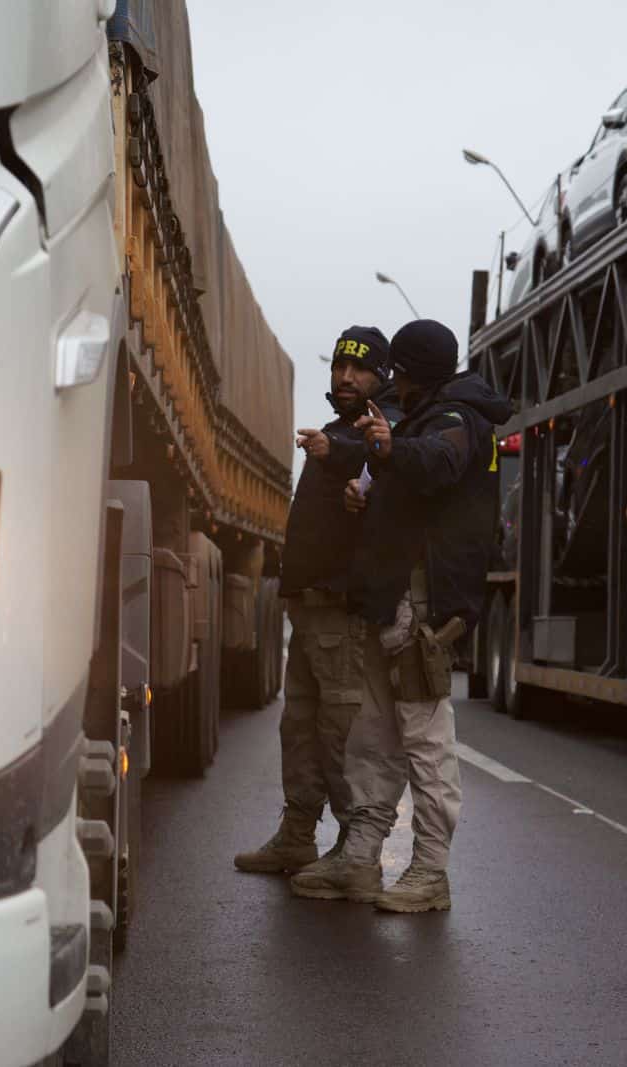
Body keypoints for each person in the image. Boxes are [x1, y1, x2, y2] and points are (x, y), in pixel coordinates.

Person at [290, 319, 510, 912]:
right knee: (373, 735)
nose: (398, 387)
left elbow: (436, 463)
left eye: (401, 376)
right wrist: (372, 492)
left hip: (422, 608)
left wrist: (388, 451)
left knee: (424, 737)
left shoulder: (456, 419)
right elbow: (415, 488)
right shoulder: (428, 415)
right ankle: (360, 857)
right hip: (391, 602)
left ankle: (431, 870)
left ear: (414, 375)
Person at [234, 326, 402, 874]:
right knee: (299, 724)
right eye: (340, 367)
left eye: (360, 368)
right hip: (309, 608)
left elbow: (374, 451)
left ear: (384, 374)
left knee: (341, 731)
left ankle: (355, 849)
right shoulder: (340, 428)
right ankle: (298, 833)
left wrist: (337, 451)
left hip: (340, 608)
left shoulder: (375, 429)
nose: (346, 376)